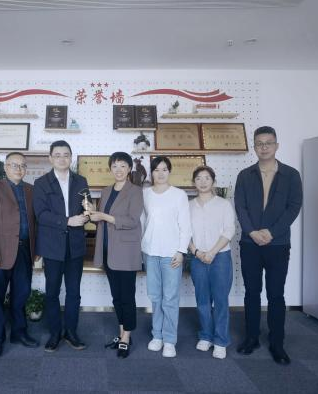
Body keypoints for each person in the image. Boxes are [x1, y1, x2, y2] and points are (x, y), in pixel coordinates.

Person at [234, 126, 302, 365]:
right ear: (254, 147)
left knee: (276, 294)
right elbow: (240, 206)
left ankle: (277, 343)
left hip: (278, 243)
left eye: (268, 143)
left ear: (276, 146)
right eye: (259, 143)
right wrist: (252, 232)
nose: (264, 147)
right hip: (250, 243)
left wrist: (271, 232)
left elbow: (293, 207)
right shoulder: (245, 175)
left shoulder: (291, 175)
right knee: (252, 292)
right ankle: (251, 338)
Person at [0, 152, 39, 358]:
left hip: (24, 250)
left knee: (21, 294)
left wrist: (36, 249)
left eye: (22, 165)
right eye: (14, 165)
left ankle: (18, 333)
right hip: (0, 252)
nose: (19, 169)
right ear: (5, 167)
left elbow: (35, 222)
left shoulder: (31, 190)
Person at [33, 140, 89, 352]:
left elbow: (85, 207)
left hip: (75, 246)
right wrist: (67, 221)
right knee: (52, 292)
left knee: (74, 292)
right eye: (57, 155)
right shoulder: (41, 183)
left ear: (71, 157)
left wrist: (87, 214)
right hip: (52, 246)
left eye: (66, 155)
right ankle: (55, 333)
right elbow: (41, 215)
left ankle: (71, 332)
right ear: (50, 158)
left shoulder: (81, 180)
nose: (62, 158)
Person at [89, 152, 144, 358]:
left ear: (129, 169)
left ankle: (126, 337)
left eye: (122, 166)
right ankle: (122, 332)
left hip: (126, 252)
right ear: (110, 168)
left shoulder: (135, 191)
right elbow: (101, 221)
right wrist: (93, 214)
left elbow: (132, 221)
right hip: (107, 251)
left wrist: (104, 216)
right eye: (114, 166)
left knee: (127, 297)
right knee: (117, 297)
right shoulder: (106, 191)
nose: (118, 170)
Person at [141, 156, 192, 358]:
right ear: (151, 172)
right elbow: (142, 222)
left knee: (170, 298)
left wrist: (181, 251)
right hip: (150, 252)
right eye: (156, 170)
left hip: (172, 254)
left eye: (164, 169)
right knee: (155, 296)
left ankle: (170, 340)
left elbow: (185, 226)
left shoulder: (179, 195)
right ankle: (157, 335)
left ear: (169, 171)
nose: (160, 173)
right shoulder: (145, 194)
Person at [188, 166, 236, 359]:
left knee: (221, 300)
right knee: (202, 300)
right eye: (198, 178)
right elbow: (184, 232)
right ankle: (206, 336)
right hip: (197, 258)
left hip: (220, 257)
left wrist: (212, 252)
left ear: (213, 182)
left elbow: (229, 230)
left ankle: (220, 341)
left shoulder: (223, 204)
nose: (203, 182)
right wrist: (196, 252)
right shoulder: (188, 206)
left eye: (207, 178)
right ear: (194, 183)